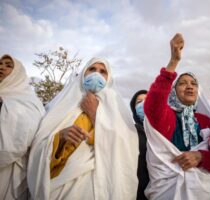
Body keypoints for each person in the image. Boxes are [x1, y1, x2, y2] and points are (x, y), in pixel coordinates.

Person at [27, 58, 139, 200]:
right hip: (59, 185)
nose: (96, 74)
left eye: (103, 71)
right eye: (92, 69)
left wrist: (95, 115)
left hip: (97, 188)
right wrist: (59, 137)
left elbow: (125, 152)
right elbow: (37, 148)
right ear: (83, 73)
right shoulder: (61, 105)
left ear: (108, 78)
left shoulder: (117, 111)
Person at [143, 33, 210, 200]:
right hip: (167, 191)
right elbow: (153, 104)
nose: (189, 87)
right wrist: (173, 62)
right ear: (173, 91)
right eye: (183, 83)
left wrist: (201, 157)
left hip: (204, 193)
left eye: (194, 84)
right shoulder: (167, 116)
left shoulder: (206, 122)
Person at [0, 55, 45, 200]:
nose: (2, 67)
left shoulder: (29, 102)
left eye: (8, 65)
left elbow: (18, 142)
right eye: (0, 64)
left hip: (10, 175)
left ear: (18, 73)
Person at [130, 90, 149, 200]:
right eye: (139, 102)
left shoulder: (166, 130)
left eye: (147, 100)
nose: (143, 104)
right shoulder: (130, 130)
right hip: (138, 192)